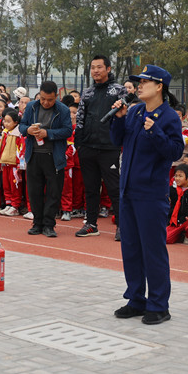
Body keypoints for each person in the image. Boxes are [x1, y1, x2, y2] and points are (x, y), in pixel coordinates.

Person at [109, 64, 184, 325]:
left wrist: (154, 131)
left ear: (159, 86)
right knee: (131, 248)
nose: (139, 86)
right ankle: (136, 299)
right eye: (138, 82)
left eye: (144, 82)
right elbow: (117, 140)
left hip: (151, 193)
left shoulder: (169, 117)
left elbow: (174, 152)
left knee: (153, 250)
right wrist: (119, 118)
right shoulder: (134, 111)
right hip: (128, 190)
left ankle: (159, 305)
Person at [74, 55, 125, 239]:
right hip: (87, 147)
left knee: (114, 188)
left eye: (99, 67)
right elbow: (80, 118)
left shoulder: (119, 90)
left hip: (109, 147)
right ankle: (91, 224)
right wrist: (79, 144)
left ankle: (122, 226)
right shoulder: (87, 93)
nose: (95, 71)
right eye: (93, 67)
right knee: (90, 188)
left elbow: (124, 116)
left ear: (108, 69)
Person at [19, 80, 72, 237]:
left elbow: (67, 130)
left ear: (56, 97)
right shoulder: (31, 107)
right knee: (34, 192)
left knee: (53, 192)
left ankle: (49, 225)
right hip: (34, 155)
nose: (46, 102)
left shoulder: (63, 110)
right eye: (42, 99)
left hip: (53, 157)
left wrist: (48, 133)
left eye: (50, 99)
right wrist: (28, 130)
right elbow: (21, 126)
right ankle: (37, 223)